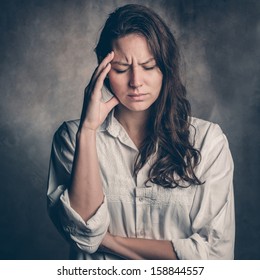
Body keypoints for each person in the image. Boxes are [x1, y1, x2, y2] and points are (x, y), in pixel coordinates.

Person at [47, 4, 235, 260]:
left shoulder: (208, 141)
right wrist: (88, 131)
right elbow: (85, 233)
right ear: (102, 71)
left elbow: (215, 257)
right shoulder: (71, 138)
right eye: (122, 69)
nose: (136, 81)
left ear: (165, 69)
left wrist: (110, 242)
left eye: (148, 66)